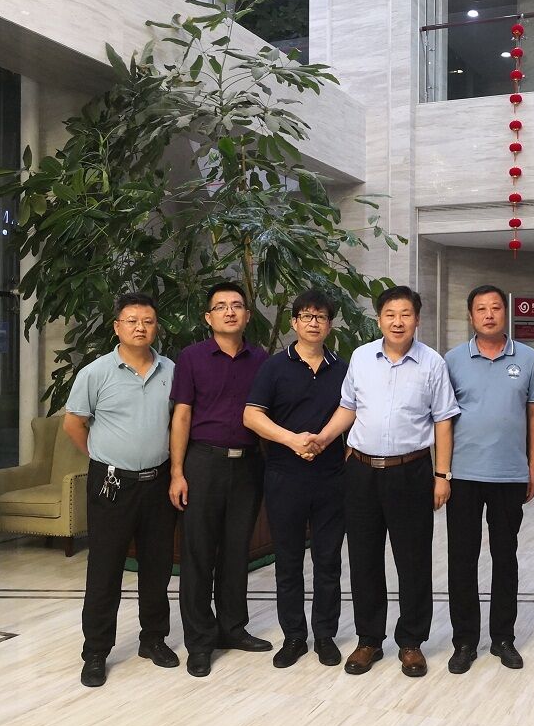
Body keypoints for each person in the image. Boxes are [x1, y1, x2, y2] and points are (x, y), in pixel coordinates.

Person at [312, 285, 459, 677]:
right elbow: (348, 407)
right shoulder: (361, 358)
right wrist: (325, 438)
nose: (398, 321)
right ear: (379, 319)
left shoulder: (432, 363)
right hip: (361, 472)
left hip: (411, 471)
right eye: (390, 314)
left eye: (405, 314)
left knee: (413, 560)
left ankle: (411, 642)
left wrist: (442, 475)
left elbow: (444, 421)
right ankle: (369, 640)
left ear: (417, 319)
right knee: (363, 559)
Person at [64, 292, 179, 688]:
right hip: (111, 483)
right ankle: (96, 652)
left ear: (156, 327)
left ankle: (154, 640)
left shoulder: (171, 370)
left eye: (147, 321)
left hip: (157, 482)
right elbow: (74, 424)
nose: (140, 328)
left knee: (157, 566)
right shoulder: (96, 372)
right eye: (132, 321)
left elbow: (178, 422)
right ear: (117, 327)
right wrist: (101, 457)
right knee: (105, 568)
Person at [169, 281, 272, 678]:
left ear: (247, 315)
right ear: (208, 317)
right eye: (221, 306)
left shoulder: (261, 360)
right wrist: (177, 472)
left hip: (247, 466)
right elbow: (181, 415)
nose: (230, 311)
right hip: (203, 463)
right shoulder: (192, 357)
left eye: (237, 305)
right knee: (198, 553)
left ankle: (232, 628)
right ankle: (199, 640)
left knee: (236, 551)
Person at [443, 285, 534, 673]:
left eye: (496, 308)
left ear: (506, 313)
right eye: (481, 309)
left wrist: (532, 467)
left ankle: (503, 638)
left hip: (509, 475)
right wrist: (442, 472)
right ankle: (464, 641)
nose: (489, 314)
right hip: (464, 475)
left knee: (505, 557)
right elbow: (442, 420)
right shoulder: (452, 359)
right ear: (471, 316)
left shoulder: (529, 358)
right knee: (462, 558)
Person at [244, 290, 347, 669]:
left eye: (320, 316)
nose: (313, 323)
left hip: (331, 476)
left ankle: (325, 635)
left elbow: (354, 412)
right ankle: (294, 637)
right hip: (285, 476)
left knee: (328, 560)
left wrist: (323, 442)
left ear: (330, 325)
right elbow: (251, 416)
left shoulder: (343, 369)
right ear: (294, 323)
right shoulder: (275, 366)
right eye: (306, 316)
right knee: (287, 561)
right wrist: (293, 440)